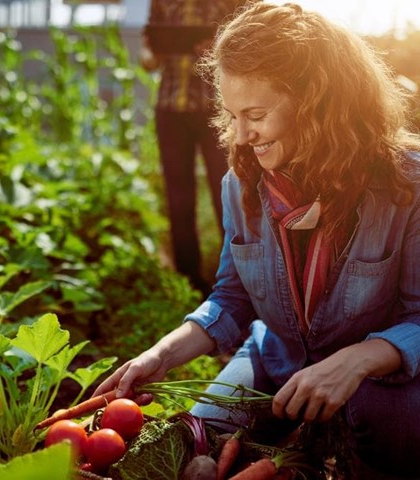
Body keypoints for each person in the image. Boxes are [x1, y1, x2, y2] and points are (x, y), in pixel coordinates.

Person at [94, 2, 420, 477]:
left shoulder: (405, 186)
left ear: (317, 102)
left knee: (391, 429)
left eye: (256, 114)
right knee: (197, 439)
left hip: (377, 380)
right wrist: (160, 355)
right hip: (276, 362)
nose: (242, 136)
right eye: (232, 114)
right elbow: (231, 297)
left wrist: (359, 359)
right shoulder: (242, 183)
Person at [140, 1, 247, 296]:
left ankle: (237, 278)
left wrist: (217, 48)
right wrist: (155, 53)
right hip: (170, 109)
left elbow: (252, 40)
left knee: (226, 192)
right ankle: (189, 280)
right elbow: (148, 57)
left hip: (216, 109)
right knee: (178, 199)